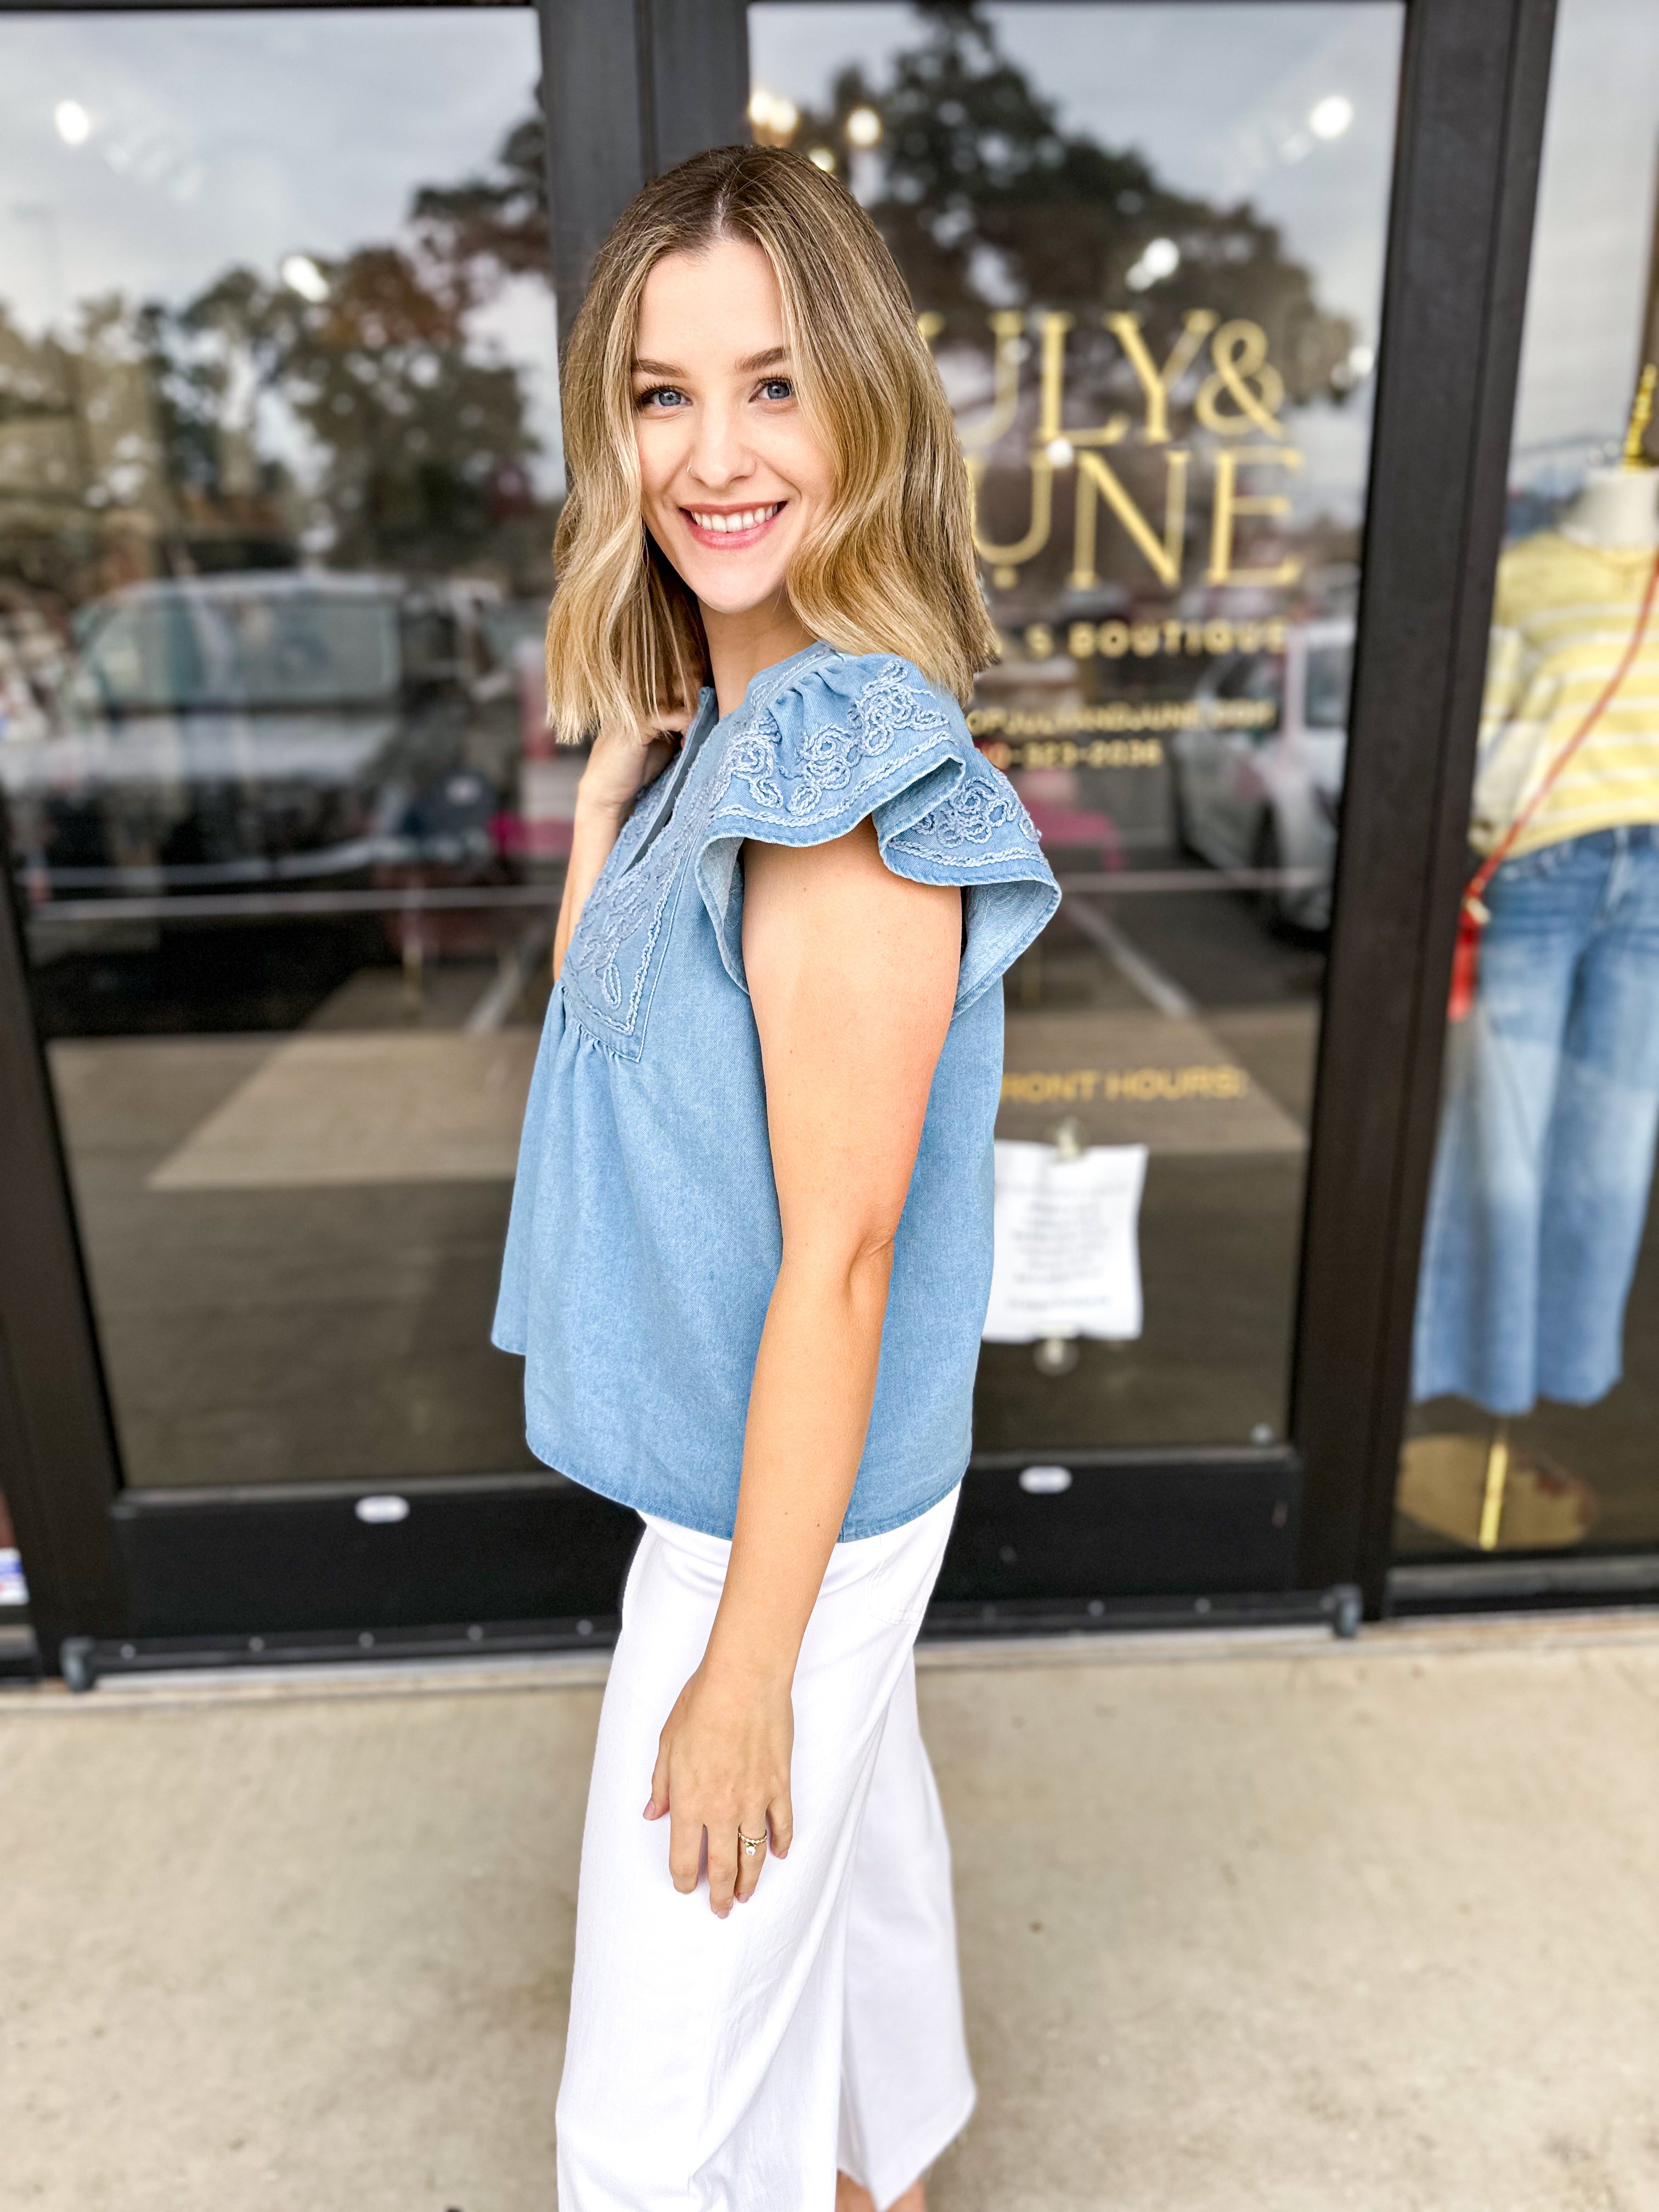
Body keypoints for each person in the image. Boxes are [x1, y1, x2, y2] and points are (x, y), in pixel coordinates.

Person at [493, 142, 1058, 2211]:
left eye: (772, 385)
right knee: (860, 1864)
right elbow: (606, 1032)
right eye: (662, 392)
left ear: (865, 410)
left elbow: (841, 1260)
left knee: (652, 2101)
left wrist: (743, 1671)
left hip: (774, 1505)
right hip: (763, 1468)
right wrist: (612, 792)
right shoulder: (723, 740)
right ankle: (883, 2163)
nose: (711, 453)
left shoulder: (835, 777)